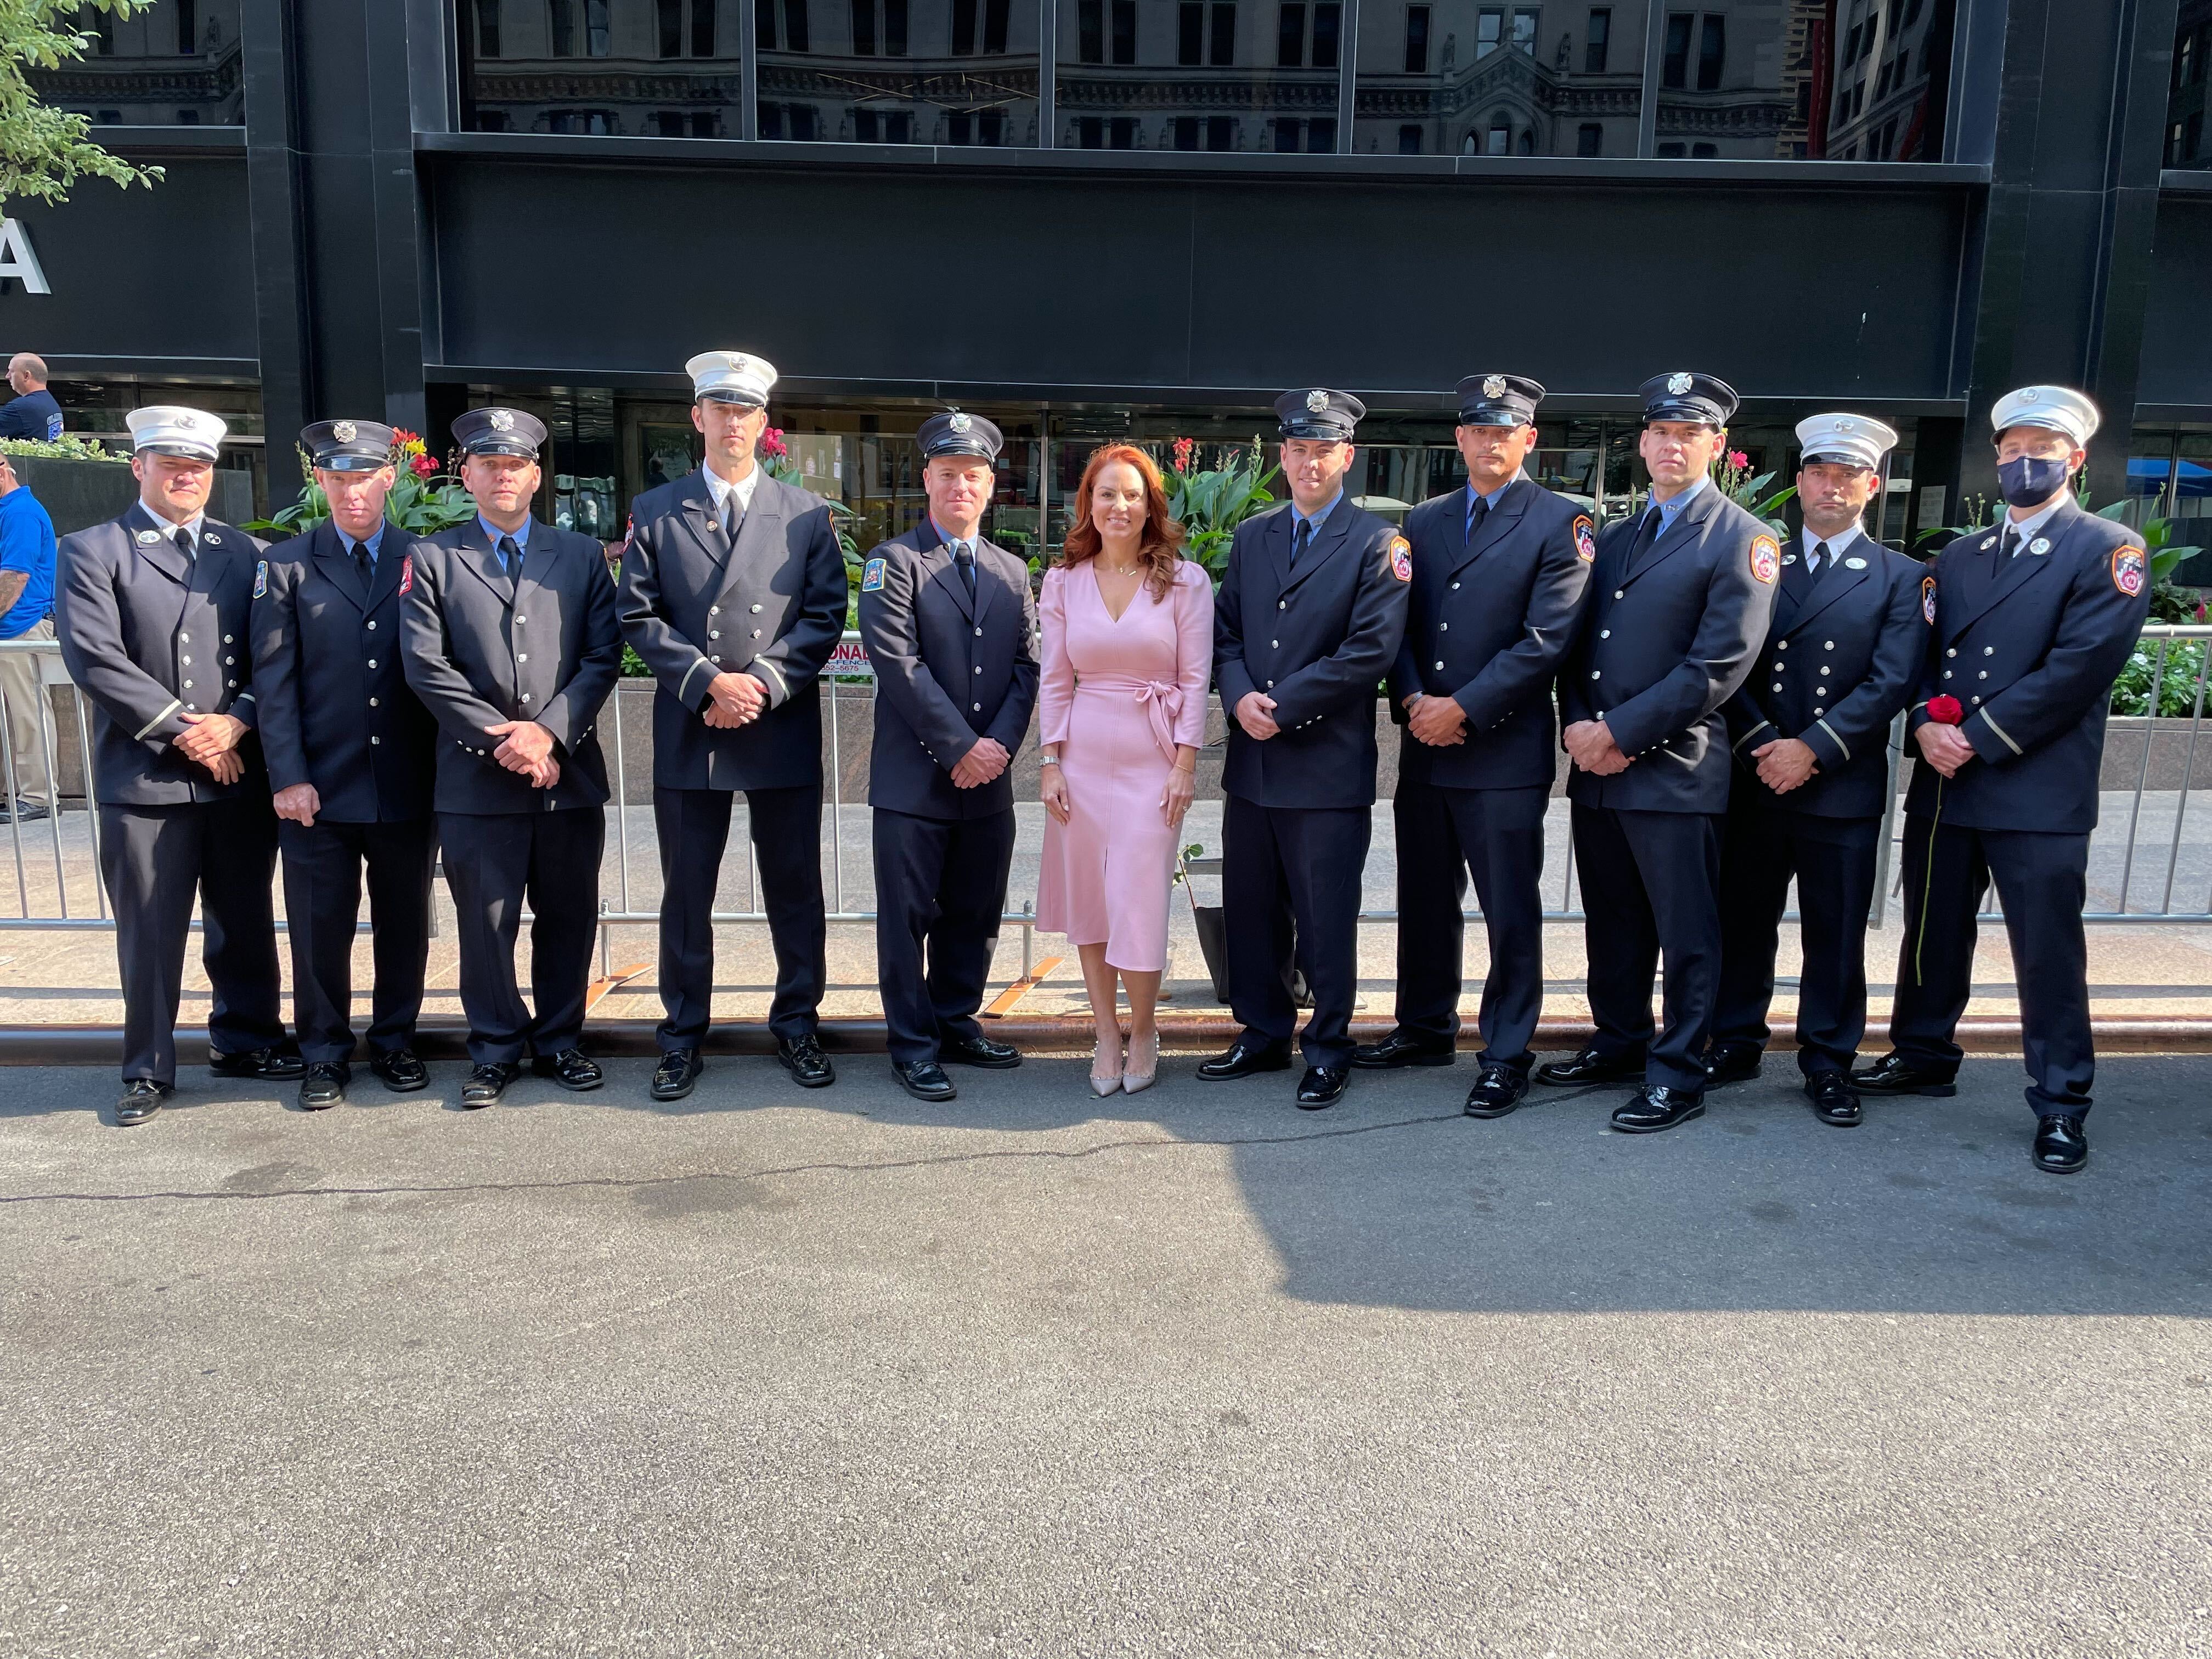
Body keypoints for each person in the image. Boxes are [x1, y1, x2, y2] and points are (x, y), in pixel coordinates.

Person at [1853, 386, 2147, 1175]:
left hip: (2035, 785)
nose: (2024, 464)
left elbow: (2078, 669)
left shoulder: (2108, 550)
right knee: (1930, 933)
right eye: (2012, 450)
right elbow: (1918, 655)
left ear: (2076, 460)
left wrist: (1976, 737)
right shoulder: (1961, 556)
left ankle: (2061, 1100)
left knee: (2046, 952)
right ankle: (1922, 1053)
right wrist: (1922, 721)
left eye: (2042, 451)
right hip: (1949, 784)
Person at [1539, 372, 1779, 1134]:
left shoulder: (1744, 538)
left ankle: (1678, 1072)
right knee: (1613, 921)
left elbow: (1718, 665)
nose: (1671, 447)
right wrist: (1581, 729)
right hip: (1601, 773)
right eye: (1660, 434)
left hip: (1674, 771)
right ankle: (1619, 1041)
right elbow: (1579, 650)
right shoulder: (1615, 537)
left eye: (1689, 435)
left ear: (1718, 447)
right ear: (1642, 443)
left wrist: (1617, 734)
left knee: (1686, 932)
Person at [1354, 374, 1592, 1117]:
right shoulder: (1421, 522)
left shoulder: (1563, 521)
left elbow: (1548, 639)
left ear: (1529, 439)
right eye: (1478, 430)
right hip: (1427, 744)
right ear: (1459, 440)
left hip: (1502, 751)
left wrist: (1464, 707)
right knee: (1426, 900)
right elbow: (1396, 624)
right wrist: (1419, 699)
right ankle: (1425, 1025)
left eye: (1505, 431)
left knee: (1508, 910)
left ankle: (1506, 1050)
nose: (1490, 442)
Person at [54, 405, 298, 1125]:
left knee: (245, 919)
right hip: (146, 778)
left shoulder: (243, 552)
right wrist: (185, 732)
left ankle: (247, 1040)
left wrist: (237, 721)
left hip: (234, 772)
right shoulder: (95, 550)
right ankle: (148, 1067)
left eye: (197, 466)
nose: (185, 475)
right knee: (151, 930)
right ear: (140, 467)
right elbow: (96, 658)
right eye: (170, 464)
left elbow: (270, 654)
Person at [617, 351, 847, 1103]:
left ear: (763, 423)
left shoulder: (806, 513)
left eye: (745, 410)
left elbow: (823, 615)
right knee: (688, 892)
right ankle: (683, 1036)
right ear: (698, 418)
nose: (732, 423)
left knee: (794, 888)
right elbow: (638, 615)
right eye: (719, 409)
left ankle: (799, 1024)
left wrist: (761, 684)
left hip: (776, 725)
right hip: (694, 726)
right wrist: (707, 682)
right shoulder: (658, 509)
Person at [1706, 414, 1926, 1127]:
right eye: (1820, 474)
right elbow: (1726, 666)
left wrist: (1813, 749)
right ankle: (1734, 1039)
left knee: (1835, 934)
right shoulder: (1759, 561)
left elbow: (1892, 680)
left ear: (1873, 485)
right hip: (1757, 776)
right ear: (1799, 482)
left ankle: (1829, 1060)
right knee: (1743, 922)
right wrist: (1767, 745)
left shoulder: (1900, 577)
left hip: (1840, 784)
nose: (1832, 488)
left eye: (1848, 476)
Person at [399, 407, 623, 1107]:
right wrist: (508, 741)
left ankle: (559, 1041)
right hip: (475, 779)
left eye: (516, 465)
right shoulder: (432, 556)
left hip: (568, 776)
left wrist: (548, 734)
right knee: (486, 923)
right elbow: (426, 666)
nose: (503, 476)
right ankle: (495, 1048)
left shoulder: (582, 556)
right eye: (488, 465)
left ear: (535, 474)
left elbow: (601, 657)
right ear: (467, 474)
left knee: (568, 916)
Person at [1201, 388, 1410, 1110]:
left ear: (1347, 456)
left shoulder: (1379, 544)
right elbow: (1224, 632)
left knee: (1324, 918)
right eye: (1298, 449)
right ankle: (1262, 1032)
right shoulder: (1256, 536)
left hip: (1324, 767)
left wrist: (1279, 706)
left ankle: (1327, 1046)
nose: (1310, 462)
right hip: (1253, 766)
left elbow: (1370, 652)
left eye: (1324, 450)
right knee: (1252, 908)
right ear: (1281, 455)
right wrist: (1236, 697)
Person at [250, 420, 439, 1110]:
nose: (351, 492)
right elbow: (273, 682)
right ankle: (325, 1053)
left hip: (406, 784)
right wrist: (287, 776)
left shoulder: (429, 558)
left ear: (389, 479)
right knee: (317, 927)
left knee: (404, 923)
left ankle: (394, 1042)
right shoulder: (287, 564)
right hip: (318, 788)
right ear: (320, 482)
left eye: (364, 477)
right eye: (338, 478)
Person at [856, 410, 1039, 1103]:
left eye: (973, 476)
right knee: (906, 920)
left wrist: (997, 750)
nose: (960, 486)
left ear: (991, 486)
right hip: (915, 782)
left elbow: (1028, 668)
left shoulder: (1011, 570)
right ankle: (912, 1043)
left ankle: (956, 1019)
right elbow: (897, 663)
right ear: (926, 480)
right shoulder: (892, 563)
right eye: (947, 474)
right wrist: (961, 747)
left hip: (988, 781)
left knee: (975, 909)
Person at [1036, 443, 1213, 1096]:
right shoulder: (1063, 582)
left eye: (1133, 495)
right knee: (1090, 898)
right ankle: (1105, 1031)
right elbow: (1055, 679)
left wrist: (1185, 765)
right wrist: (1050, 763)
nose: (1120, 505)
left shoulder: (1185, 581)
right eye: (1107, 493)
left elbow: (1195, 681)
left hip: (1154, 753)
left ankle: (1144, 1027)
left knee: (1138, 899)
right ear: (1090, 503)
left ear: (1150, 507)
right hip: (1081, 752)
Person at [0, 450, 58, 821]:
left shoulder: (19, 513)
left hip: (22, 628)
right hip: (13, 628)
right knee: (16, 717)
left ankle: (38, 797)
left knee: (28, 715)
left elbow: (14, 578)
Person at [0, 354, 63, 443]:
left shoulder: (20, 408)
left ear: (26, 376)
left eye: (12, 371)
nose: (7, 376)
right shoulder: (52, 405)